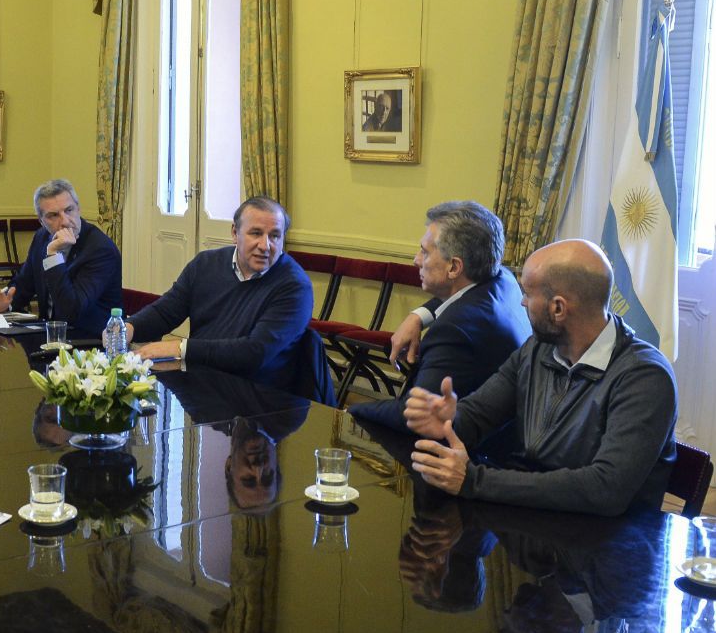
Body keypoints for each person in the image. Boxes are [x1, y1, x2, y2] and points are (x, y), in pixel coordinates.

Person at [405, 239, 678, 516]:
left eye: (527, 293)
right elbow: (479, 413)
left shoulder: (644, 377)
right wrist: (449, 420)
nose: (522, 301)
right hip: (534, 518)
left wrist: (474, 480)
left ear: (558, 308)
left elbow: (605, 489)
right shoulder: (537, 349)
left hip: (607, 544)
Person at [349, 201, 531, 431]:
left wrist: (351, 411)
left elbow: (419, 417)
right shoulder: (503, 280)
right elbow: (459, 294)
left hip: (470, 451)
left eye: (424, 252)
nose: (416, 260)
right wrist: (418, 316)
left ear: (454, 267)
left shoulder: (454, 331)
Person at [125, 196, 314, 387]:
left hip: (259, 398)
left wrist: (179, 347)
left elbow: (255, 353)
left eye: (274, 236)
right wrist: (127, 329)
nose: (265, 246)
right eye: (256, 233)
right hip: (200, 384)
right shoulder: (205, 264)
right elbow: (165, 313)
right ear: (234, 233)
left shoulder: (295, 286)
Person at [0, 179, 122, 335]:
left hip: (88, 342)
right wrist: (4, 301)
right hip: (47, 336)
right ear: (41, 221)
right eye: (53, 215)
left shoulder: (100, 249)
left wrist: (53, 255)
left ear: (79, 209)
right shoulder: (42, 238)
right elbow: (23, 285)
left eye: (69, 210)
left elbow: (72, 311)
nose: (65, 221)